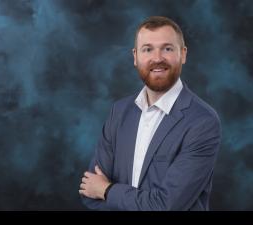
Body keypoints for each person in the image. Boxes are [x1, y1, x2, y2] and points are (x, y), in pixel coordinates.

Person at [79, 16, 221, 210]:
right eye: (148, 49)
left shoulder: (202, 122)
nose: (157, 58)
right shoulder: (119, 112)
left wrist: (107, 190)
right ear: (135, 57)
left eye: (168, 48)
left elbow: (165, 205)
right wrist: (99, 191)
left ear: (184, 54)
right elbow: (90, 194)